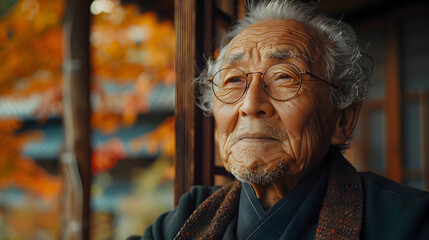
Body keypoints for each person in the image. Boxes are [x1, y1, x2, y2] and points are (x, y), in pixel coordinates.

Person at [129, 0, 429, 239]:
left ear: (343, 120)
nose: (250, 104)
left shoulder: (405, 221)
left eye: (285, 77)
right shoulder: (188, 218)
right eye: (233, 80)